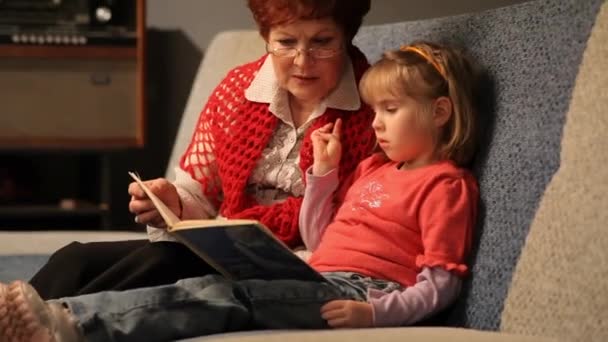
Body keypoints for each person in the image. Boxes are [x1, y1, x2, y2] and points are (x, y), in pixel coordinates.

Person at [0, 41, 481, 341]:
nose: (376, 122)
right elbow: (321, 235)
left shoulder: (446, 185)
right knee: (98, 259)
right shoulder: (376, 168)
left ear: (440, 113)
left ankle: (68, 323)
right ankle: (44, 319)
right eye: (375, 110)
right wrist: (324, 176)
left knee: (218, 296)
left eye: (390, 110)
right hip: (320, 272)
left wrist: (374, 314)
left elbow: (441, 284)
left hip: (361, 291)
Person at [29, 0, 376, 300]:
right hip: (225, 243)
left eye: (322, 42)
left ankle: (43, 322)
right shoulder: (236, 90)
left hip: (302, 261)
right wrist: (172, 201)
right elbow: (201, 192)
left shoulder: (379, 107)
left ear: (346, 37)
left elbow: (366, 223)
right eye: (285, 42)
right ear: (266, 40)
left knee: (165, 262)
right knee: (74, 259)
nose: (302, 61)